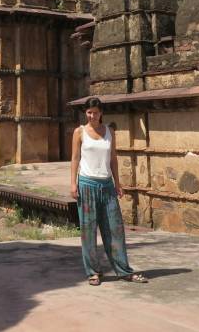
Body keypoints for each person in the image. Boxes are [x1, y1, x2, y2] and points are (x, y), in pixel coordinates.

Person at [70, 97, 147, 286]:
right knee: (88, 230)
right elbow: (75, 159)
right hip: (87, 184)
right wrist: (73, 184)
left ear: (101, 113)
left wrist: (117, 183)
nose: (92, 116)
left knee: (115, 229)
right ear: (85, 113)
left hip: (107, 185)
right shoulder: (79, 132)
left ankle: (123, 270)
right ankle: (93, 272)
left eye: (95, 112)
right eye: (89, 112)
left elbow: (113, 159)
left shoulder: (109, 132)